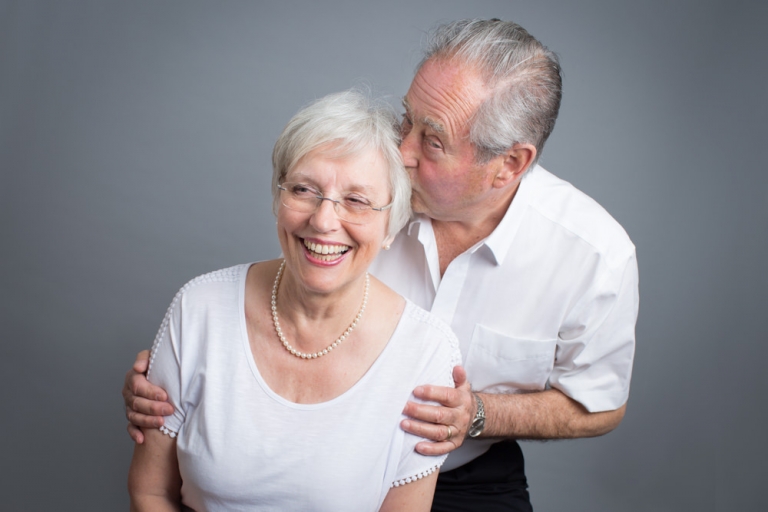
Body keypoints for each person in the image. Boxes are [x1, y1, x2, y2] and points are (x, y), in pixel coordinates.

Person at [124, 19, 639, 511]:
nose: (402, 150)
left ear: (508, 165)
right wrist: (183, 374)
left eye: (432, 141)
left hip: (468, 467)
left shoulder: (594, 256)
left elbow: (600, 405)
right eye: (405, 119)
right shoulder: (366, 195)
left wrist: (476, 414)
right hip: (313, 458)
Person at [127, 90, 462, 511]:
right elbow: (151, 491)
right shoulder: (200, 307)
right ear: (278, 198)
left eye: (356, 200)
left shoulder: (426, 352)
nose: (323, 221)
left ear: (392, 224)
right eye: (304, 189)